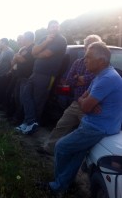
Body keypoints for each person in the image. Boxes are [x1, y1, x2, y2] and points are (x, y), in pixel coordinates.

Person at [37, 42, 122, 195]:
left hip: (97, 127)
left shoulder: (107, 79)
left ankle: (58, 186)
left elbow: (84, 106)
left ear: (101, 61)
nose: (84, 60)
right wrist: (88, 102)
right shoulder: (101, 75)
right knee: (77, 154)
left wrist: (87, 102)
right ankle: (63, 184)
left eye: (88, 57)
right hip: (95, 123)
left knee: (61, 147)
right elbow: (84, 98)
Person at [39, 34, 102, 155]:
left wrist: (80, 78)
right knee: (61, 125)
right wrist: (80, 79)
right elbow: (69, 81)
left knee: (86, 133)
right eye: (86, 47)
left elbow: (94, 79)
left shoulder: (101, 65)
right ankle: (49, 148)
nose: (87, 50)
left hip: (92, 106)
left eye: (91, 47)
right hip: (76, 102)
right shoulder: (78, 62)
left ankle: (87, 160)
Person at [17, 20, 67, 134]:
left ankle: (31, 126)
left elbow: (46, 54)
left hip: (47, 74)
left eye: (56, 26)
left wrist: (36, 54)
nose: (54, 28)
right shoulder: (44, 38)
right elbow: (33, 50)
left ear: (59, 28)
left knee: (38, 101)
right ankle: (30, 122)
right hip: (35, 72)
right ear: (48, 28)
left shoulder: (60, 40)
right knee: (25, 95)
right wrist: (46, 41)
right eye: (52, 26)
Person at [0, 38, 14, 110]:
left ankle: (3, 107)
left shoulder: (10, 51)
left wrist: (9, 72)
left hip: (5, 75)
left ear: (5, 43)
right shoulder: (2, 51)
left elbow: (13, 63)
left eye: (1, 42)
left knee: (3, 91)